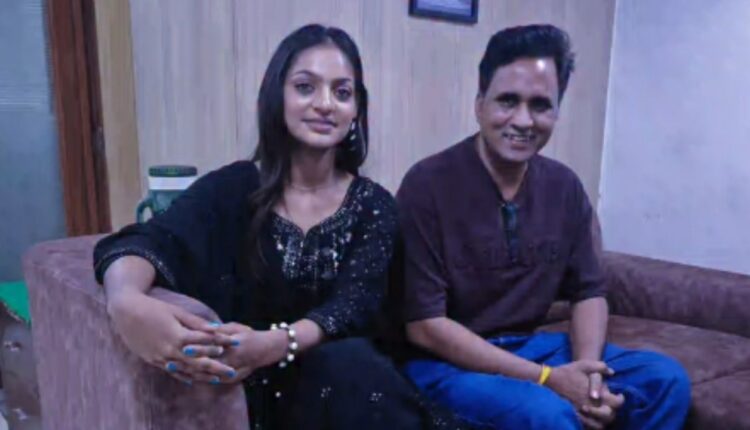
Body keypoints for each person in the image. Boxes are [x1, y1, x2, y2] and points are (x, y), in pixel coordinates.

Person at [94, 24, 466, 430]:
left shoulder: (374, 205)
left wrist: (276, 343)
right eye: (306, 87)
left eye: (342, 92)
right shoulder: (234, 188)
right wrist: (125, 299)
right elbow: (151, 240)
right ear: (277, 96)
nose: (325, 104)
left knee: (347, 363)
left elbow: (355, 305)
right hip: (252, 399)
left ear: (356, 111)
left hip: (355, 397)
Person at [395, 24, 691, 430]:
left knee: (665, 380)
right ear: (479, 105)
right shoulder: (427, 185)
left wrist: (587, 375)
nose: (523, 120)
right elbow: (425, 327)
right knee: (547, 414)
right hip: (446, 365)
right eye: (507, 101)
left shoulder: (564, 187)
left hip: (533, 347)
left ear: (556, 112)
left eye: (540, 105)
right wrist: (549, 379)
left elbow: (589, 292)